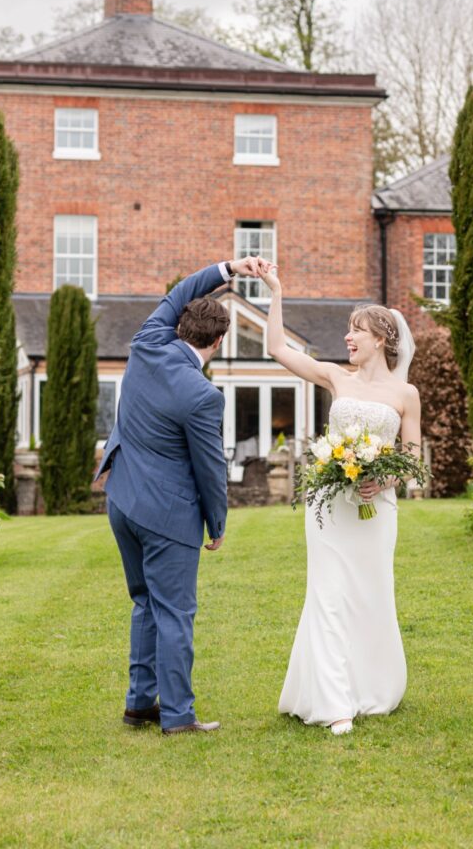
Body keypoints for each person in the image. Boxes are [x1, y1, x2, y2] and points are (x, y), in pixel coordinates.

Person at [96, 256, 272, 736]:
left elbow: (179, 291)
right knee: (174, 611)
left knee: (145, 603)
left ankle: (139, 705)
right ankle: (176, 716)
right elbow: (211, 468)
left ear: (179, 325)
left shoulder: (147, 341)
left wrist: (229, 267)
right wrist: (217, 524)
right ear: (219, 341)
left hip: (122, 501)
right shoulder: (201, 395)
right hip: (165, 514)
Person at [258, 263, 421, 735]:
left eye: (357, 330)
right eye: (349, 330)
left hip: (376, 511)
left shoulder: (405, 394)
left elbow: (410, 457)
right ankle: (334, 704)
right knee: (328, 595)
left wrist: (382, 481)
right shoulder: (335, 377)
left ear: (382, 339)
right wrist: (276, 290)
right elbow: (275, 348)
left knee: (369, 596)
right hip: (329, 507)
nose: (348, 337)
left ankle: (370, 686)